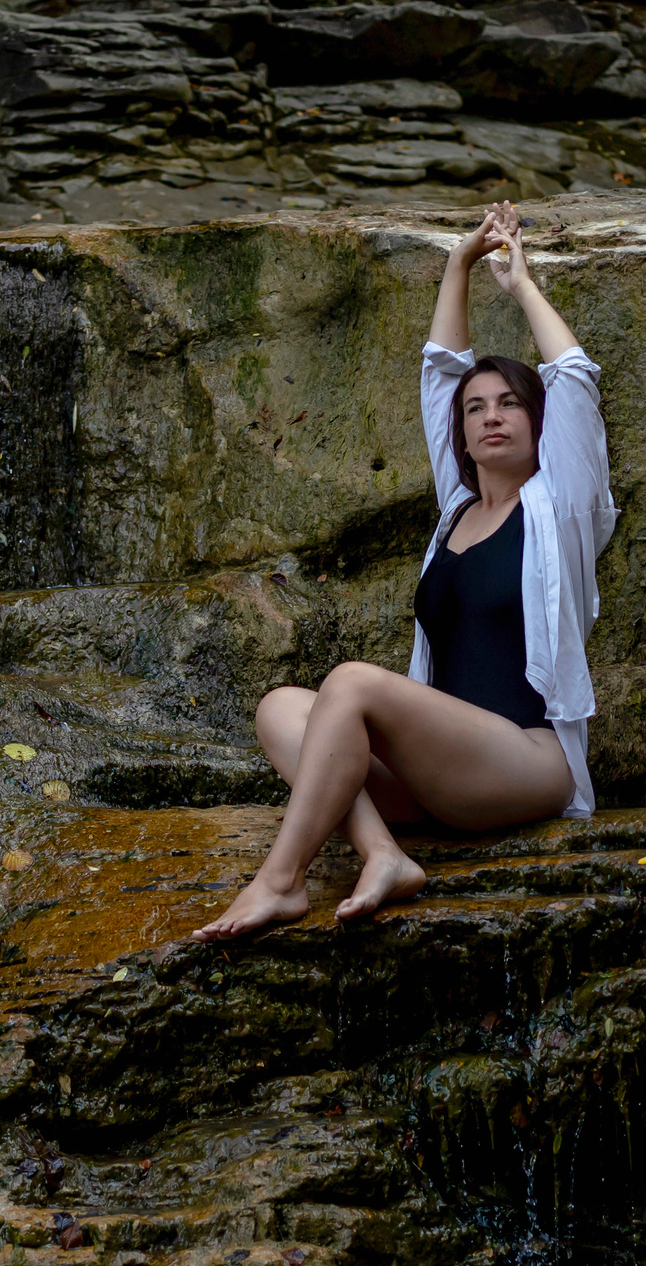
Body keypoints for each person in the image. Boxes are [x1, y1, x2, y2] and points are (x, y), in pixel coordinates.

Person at [192, 203, 617, 942]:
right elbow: (441, 373)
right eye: (477, 408)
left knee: (350, 682)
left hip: (528, 759)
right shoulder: (453, 511)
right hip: (443, 771)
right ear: (460, 432)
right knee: (280, 708)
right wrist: (457, 265)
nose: (491, 416)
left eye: (511, 404)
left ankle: (281, 880)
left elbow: (574, 378)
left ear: (538, 423)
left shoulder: (562, 505)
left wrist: (517, 282)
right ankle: (382, 852)